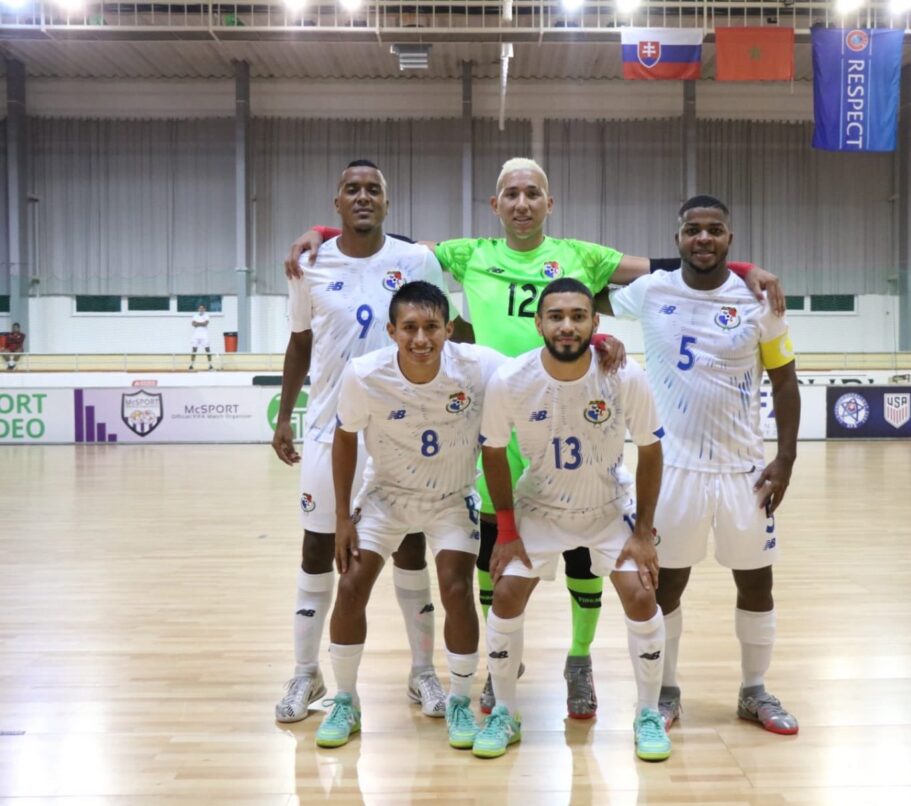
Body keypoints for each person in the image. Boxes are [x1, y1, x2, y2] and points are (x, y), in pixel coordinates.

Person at [285, 158, 785, 720]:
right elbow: (384, 243)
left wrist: (741, 268)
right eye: (511, 194)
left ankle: (580, 659)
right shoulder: (469, 254)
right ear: (495, 205)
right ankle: (503, 668)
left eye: (532, 194)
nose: (522, 203)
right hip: (496, 416)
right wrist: (324, 231)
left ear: (550, 203)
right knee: (495, 551)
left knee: (582, 557)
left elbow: (675, 263)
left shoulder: (583, 256)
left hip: (571, 415)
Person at [608, 195, 801, 735]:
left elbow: (785, 381)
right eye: (693, 229)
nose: (703, 238)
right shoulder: (652, 290)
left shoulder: (758, 301)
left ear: (729, 239)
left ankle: (754, 691)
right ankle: (666, 691)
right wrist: (597, 334)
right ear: (677, 239)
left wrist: (785, 458)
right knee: (666, 585)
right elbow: (586, 294)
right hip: (672, 470)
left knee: (756, 584)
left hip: (744, 471)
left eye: (715, 230)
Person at [273, 160, 454, 726]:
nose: (363, 196)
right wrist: (285, 415)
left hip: (400, 431)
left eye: (373, 189)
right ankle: (306, 672)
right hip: (329, 430)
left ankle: (423, 672)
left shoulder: (415, 260)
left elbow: (452, 335)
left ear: (387, 202)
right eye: (352, 189)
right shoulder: (309, 265)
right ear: (337, 202)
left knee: (409, 549)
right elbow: (300, 343)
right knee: (317, 549)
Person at [473, 277, 669, 761]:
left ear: (595, 323)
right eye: (556, 316)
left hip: (607, 507)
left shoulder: (624, 375)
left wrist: (644, 532)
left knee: (642, 594)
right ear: (538, 323)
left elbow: (650, 450)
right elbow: (493, 453)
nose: (567, 326)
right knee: (506, 593)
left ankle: (647, 713)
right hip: (541, 507)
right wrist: (507, 531)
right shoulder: (511, 379)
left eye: (578, 316)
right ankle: (506, 712)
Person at [317, 281, 506, 750]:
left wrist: (601, 343)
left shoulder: (479, 366)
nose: (421, 338)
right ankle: (345, 700)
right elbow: (345, 438)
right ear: (392, 331)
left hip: (451, 497)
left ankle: (458, 700)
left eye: (431, 327)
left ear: (449, 329)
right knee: (351, 585)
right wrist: (342, 518)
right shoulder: (365, 374)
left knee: (457, 589)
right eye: (410, 328)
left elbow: (537, 366)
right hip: (386, 496)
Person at [188, 304, 214, 371]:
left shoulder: (206, 316)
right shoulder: (195, 316)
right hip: (196, 335)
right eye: (200, 308)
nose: (201, 309)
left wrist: (197, 323)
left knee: (207, 349)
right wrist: (201, 323)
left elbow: (205, 324)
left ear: (204, 309)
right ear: (198, 309)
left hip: (204, 335)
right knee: (194, 349)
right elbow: (193, 324)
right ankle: (191, 365)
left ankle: (210, 365)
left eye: (202, 308)